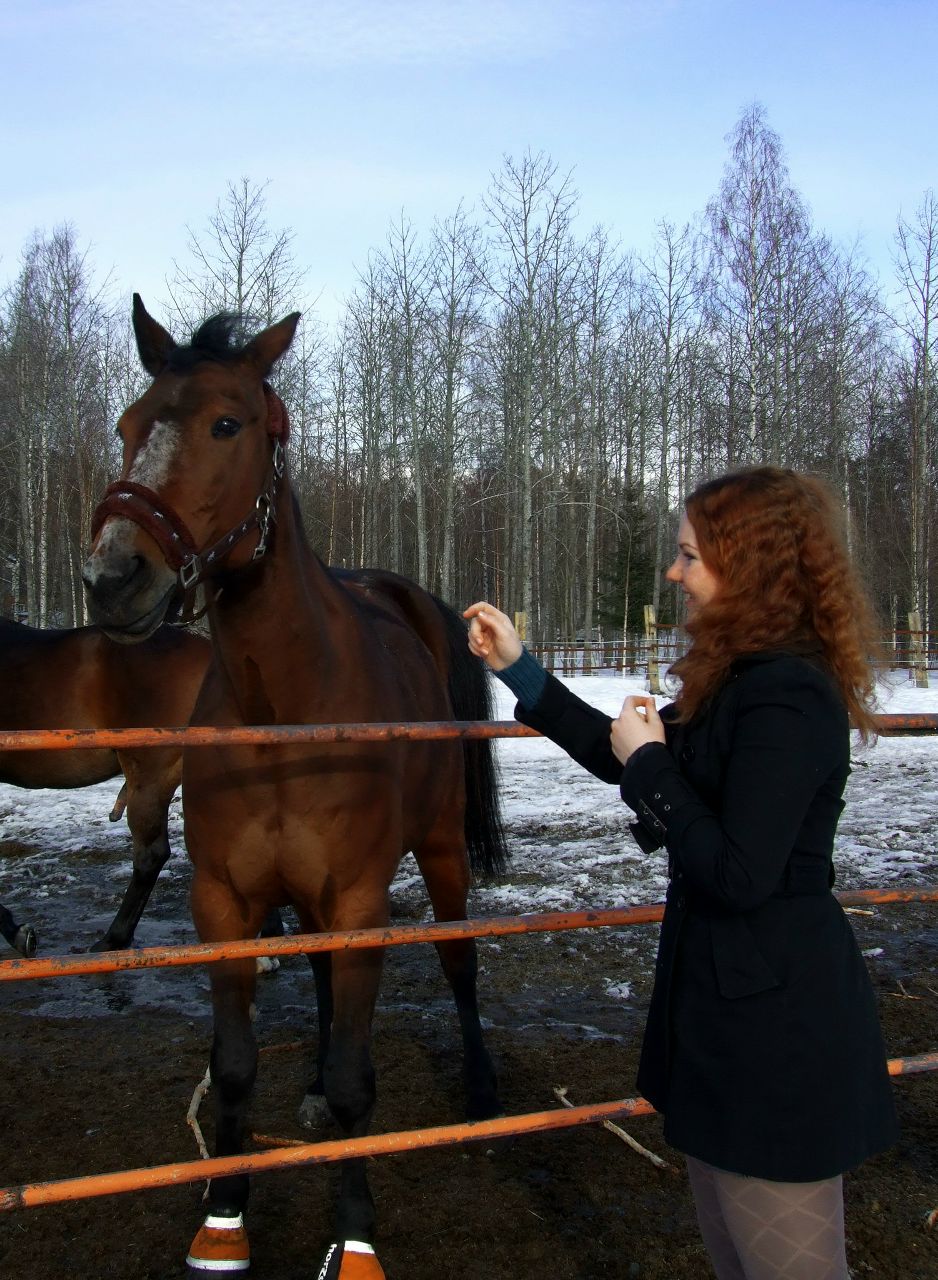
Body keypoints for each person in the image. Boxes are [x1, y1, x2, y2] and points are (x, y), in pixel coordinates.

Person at [464, 466, 897, 1280]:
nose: (673, 573)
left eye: (689, 556)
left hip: (778, 1033)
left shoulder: (788, 698)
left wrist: (654, 768)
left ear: (750, 566)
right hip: (723, 1011)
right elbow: (620, 754)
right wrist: (522, 672)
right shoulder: (736, 680)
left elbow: (739, 872)